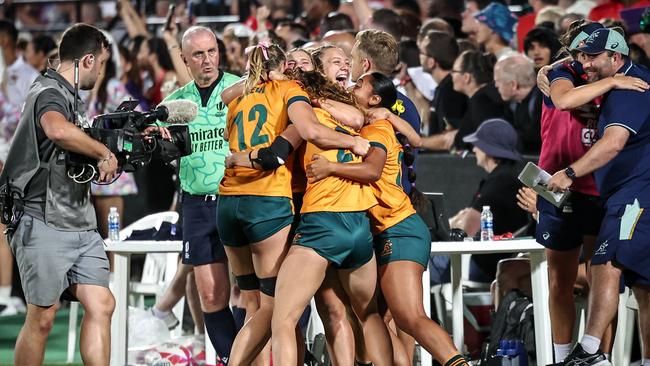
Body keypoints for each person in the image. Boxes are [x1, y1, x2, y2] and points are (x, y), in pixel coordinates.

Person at [217, 42, 369, 366]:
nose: (298, 69)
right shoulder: (289, 94)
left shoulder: (252, 95)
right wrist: (355, 142)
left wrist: (237, 157)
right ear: (285, 68)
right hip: (276, 204)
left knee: (273, 308)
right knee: (277, 311)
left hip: (235, 199)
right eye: (293, 63)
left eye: (305, 64)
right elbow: (283, 150)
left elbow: (355, 116)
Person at [306, 71, 471, 366]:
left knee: (410, 317)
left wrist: (330, 168)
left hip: (399, 230)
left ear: (374, 99)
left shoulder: (376, 129)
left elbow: (372, 171)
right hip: (384, 231)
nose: (351, 86)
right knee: (378, 320)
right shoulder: (370, 125)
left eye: (359, 85)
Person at [0, 23, 117, 366]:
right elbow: (56, 129)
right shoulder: (49, 90)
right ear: (88, 59)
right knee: (43, 317)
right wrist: (102, 153)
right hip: (42, 217)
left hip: (79, 220)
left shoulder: (70, 94)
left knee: (102, 303)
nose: (101, 71)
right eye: (102, 63)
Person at [547, 27, 650, 366]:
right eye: (581, 55)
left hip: (635, 192)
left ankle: (590, 350)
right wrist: (606, 81)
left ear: (616, 58)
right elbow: (557, 93)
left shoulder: (631, 90)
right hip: (630, 190)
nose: (584, 63)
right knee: (645, 287)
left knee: (606, 262)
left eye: (592, 57)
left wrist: (570, 172)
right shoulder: (612, 82)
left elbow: (614, 142)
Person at [158, 25, 240, 364]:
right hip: (196, 205)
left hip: (239, 199)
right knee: (210, 295)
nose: (208, 60)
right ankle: (231, 358)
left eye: (212, 51)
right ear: (184, 59)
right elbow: (157, 144)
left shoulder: (240, 89)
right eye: (198, 54)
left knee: (251, 293)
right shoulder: (175, 104)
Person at [448, 119, 528, 282]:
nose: (475, 149)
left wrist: (453, 222)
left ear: (488, 149)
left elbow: (465, 230)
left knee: (418, 267)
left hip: (484, 264)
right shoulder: (501, 177)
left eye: (478, 144)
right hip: (486, 260)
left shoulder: (502, 180)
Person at [350, 29, 421, 194]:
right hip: (403, 196)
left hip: (375, 201)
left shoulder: (352, 101)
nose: (350, 63)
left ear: (365, 64)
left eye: (352, 58)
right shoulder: (410, 106)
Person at [418, 30, 468, 146]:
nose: (418, 56)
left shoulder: (451, 91)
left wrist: (416, 141)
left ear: (431, 62)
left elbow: (451, 137)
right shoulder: (444, 87)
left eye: (421, 52)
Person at [493, 54, 543, 155]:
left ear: (513, 84)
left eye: (498, 81)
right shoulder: (514, 103)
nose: (496, 85)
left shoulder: (543, 101)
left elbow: (536, 138)